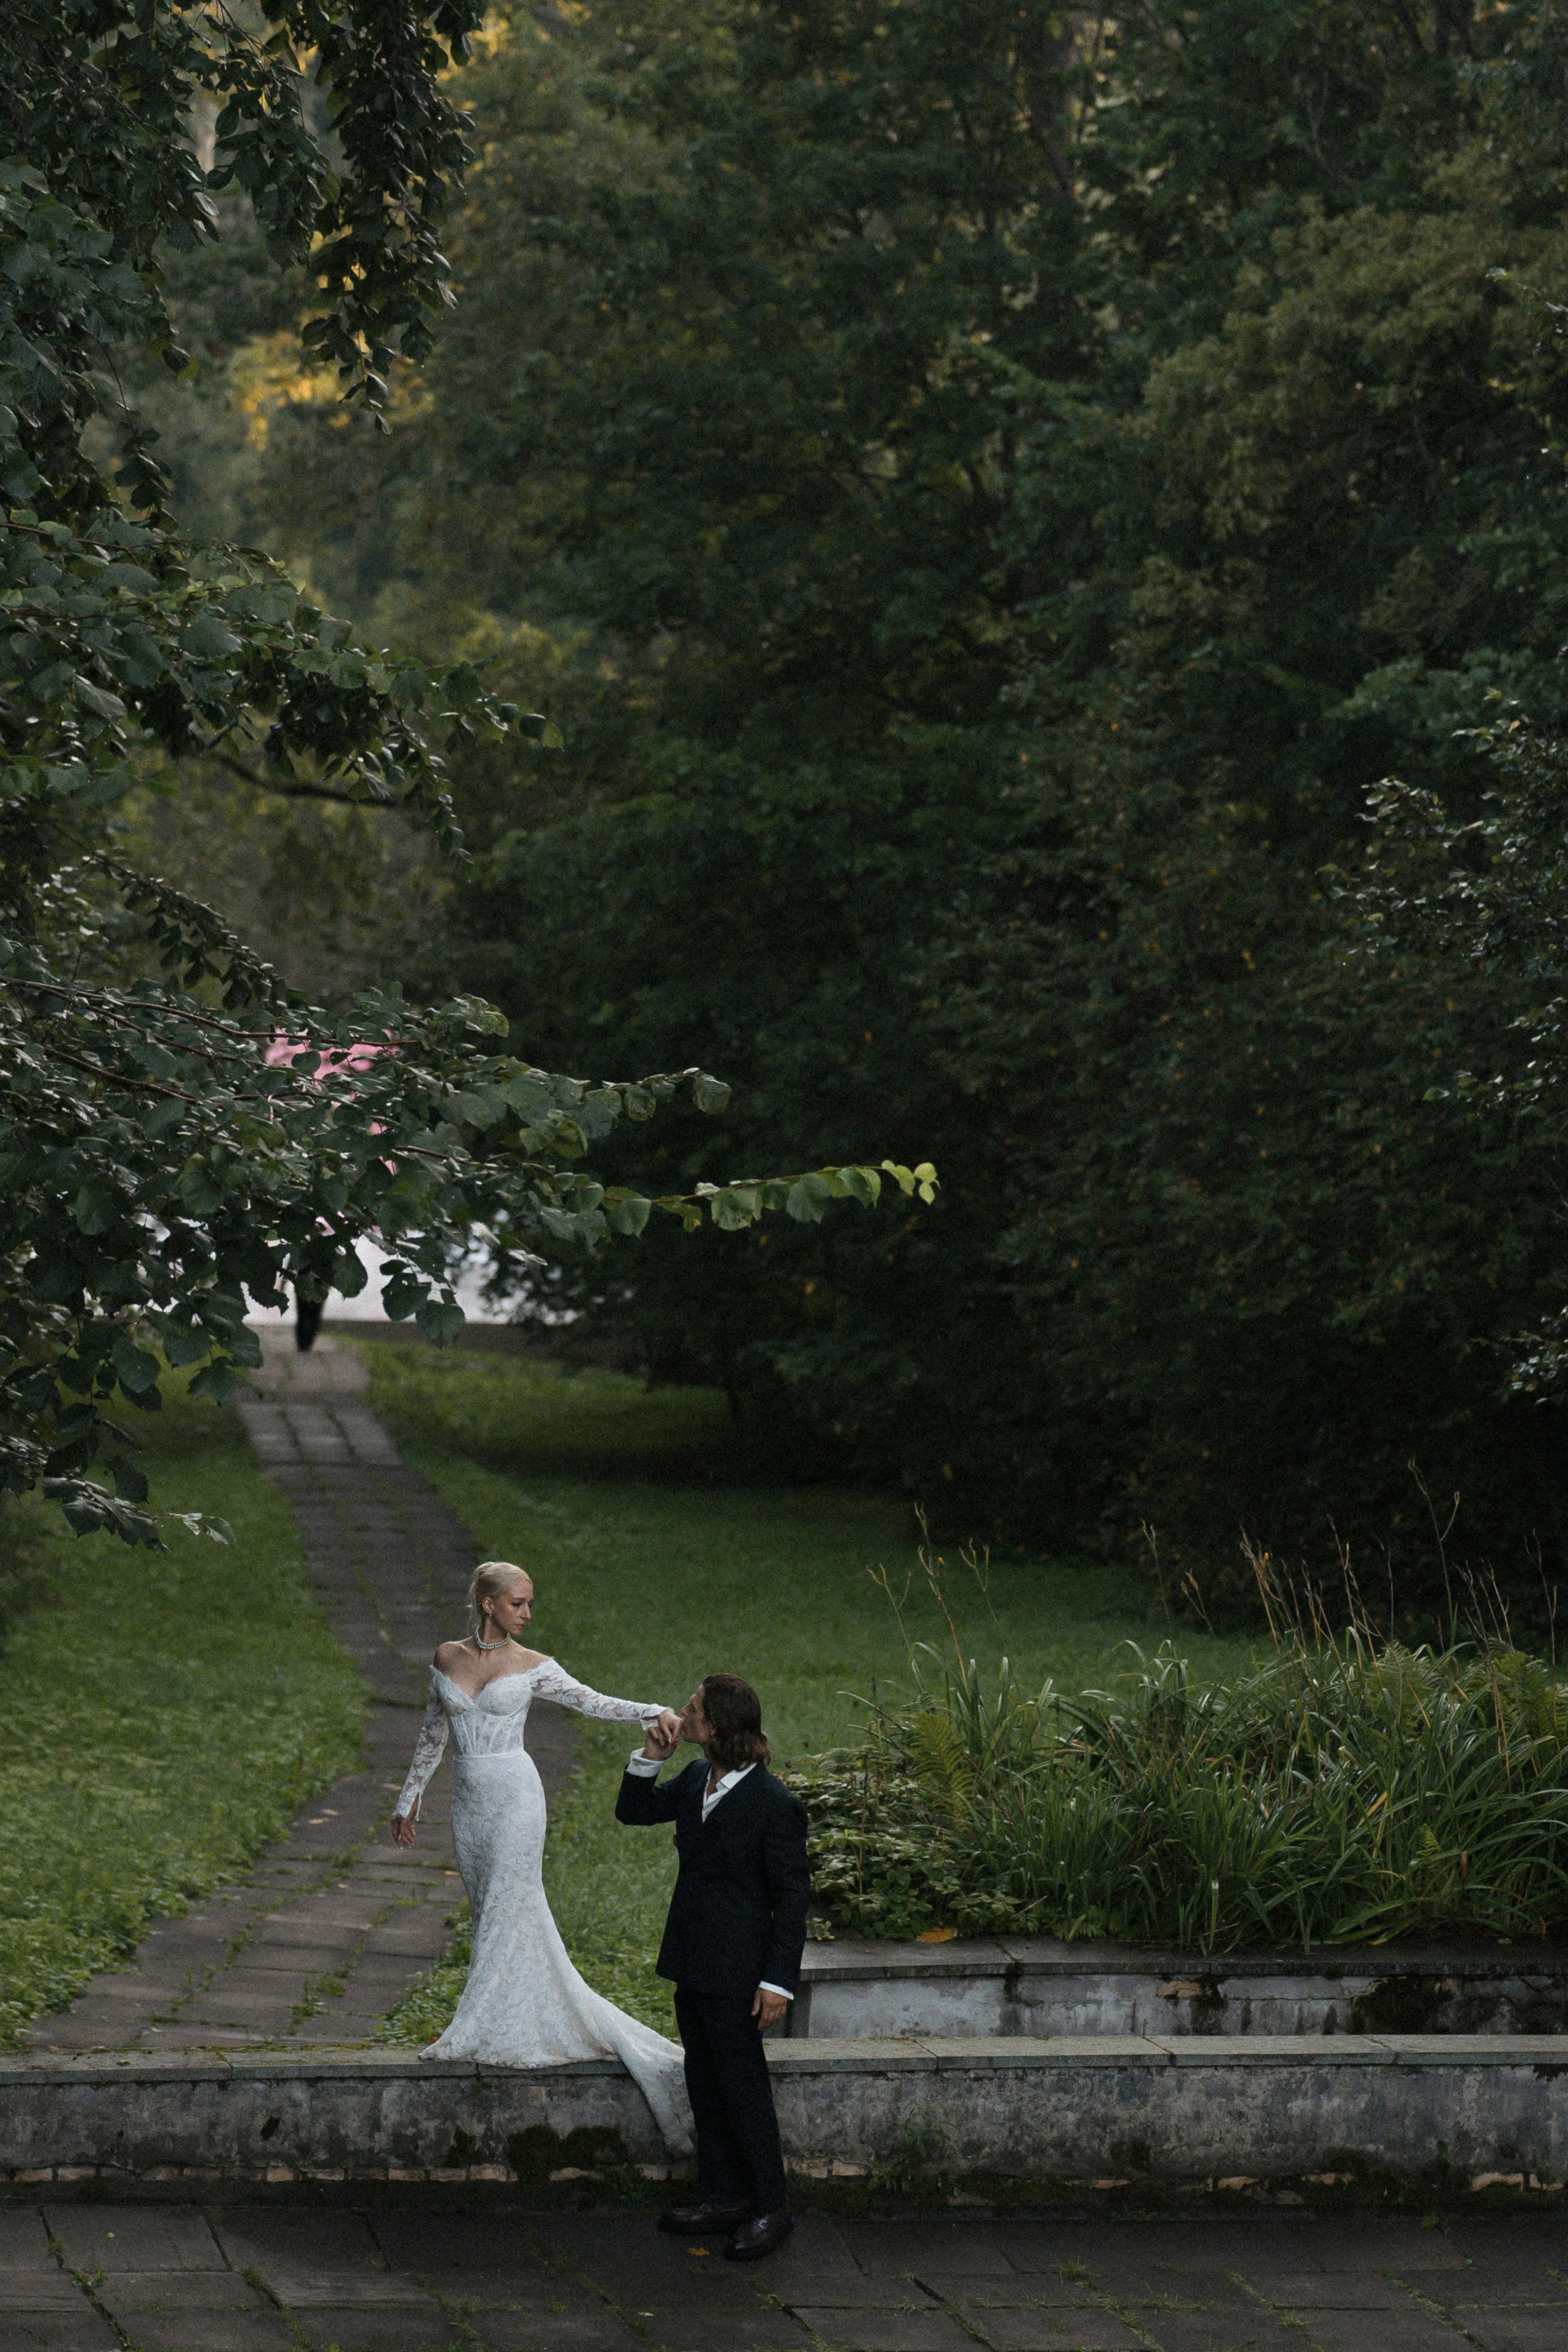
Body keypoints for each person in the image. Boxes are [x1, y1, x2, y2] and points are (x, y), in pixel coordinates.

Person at [391, 1560, 693, 2154]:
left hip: (518, 1799)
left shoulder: (534, 1667)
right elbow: (433, 1733)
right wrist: (409, 1800)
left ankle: (474, 2027)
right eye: (518, 1604)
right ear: (487, 1605)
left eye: (529, 1605)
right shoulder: (446, 1658)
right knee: (491, 1911)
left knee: (510, 1901)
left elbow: (592, 1702)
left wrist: (650, 1711)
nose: (528, 1614)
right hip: (469, 1802)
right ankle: (512, 2010)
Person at [616, 1673, 810, 2261]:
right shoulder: (699, 1776)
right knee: (704, 2081)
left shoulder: (775, 1805)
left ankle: (770, 2207)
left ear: (718, 1726)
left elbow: (793, 1897)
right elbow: (634, 1811)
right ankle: (724, 2197)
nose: (683, 1712)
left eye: (693, 1709)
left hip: (741, 1975)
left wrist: (777, 1982)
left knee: (742, 2089)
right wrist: (650, 1759)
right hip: (692, 1959)